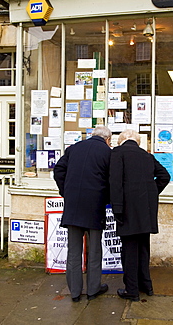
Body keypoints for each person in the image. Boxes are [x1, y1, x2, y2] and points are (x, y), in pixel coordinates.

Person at [109, 129, 170, 301]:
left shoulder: (118, 153)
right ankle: (147, 285)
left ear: (121, 140)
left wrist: (117, 208)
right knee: (143, 248)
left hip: (127, 209)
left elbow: (115, 182)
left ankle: (132, 290)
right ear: (137, 141)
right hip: (146, 210)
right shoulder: (146, 156)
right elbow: (164, 176)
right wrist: (152, 193)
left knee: (129, 251)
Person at [54, 126, 112, 302]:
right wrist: (106, 198)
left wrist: (66, 192)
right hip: (94, 206)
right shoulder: (107, 152)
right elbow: (112, 179)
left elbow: (58, 171)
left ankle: (75, 292)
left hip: (73, 206)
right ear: (107, 139)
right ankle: (93, 290)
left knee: (73, 251)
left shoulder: (73, 148)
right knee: (94, 250)